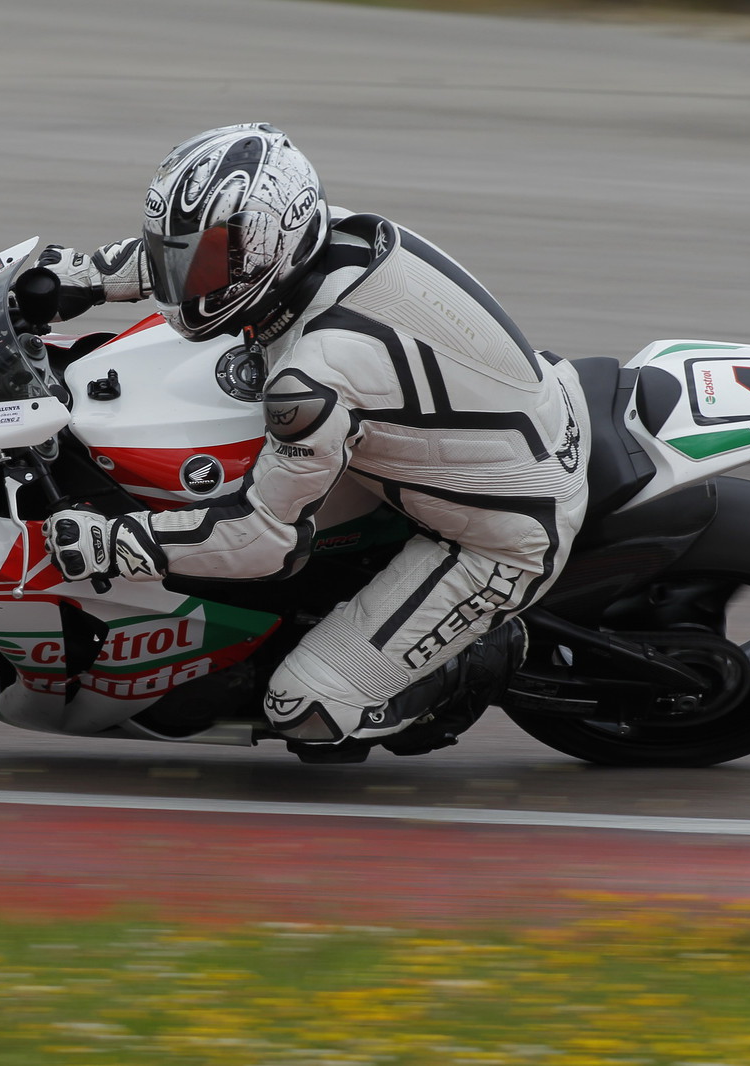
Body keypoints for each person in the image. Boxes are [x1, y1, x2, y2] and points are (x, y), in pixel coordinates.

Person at [33, 123, 590, 762]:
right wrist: (84, 277)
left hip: (506, 526)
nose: (185, 277)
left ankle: (486, 651)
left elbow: (262, 541)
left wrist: (120, 544)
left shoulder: (315, 375)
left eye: (202, 262)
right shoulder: (330, 233)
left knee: (305, 709)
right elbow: (193, 258)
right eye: (179, 256)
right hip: (503, 418)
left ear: (267, 246)